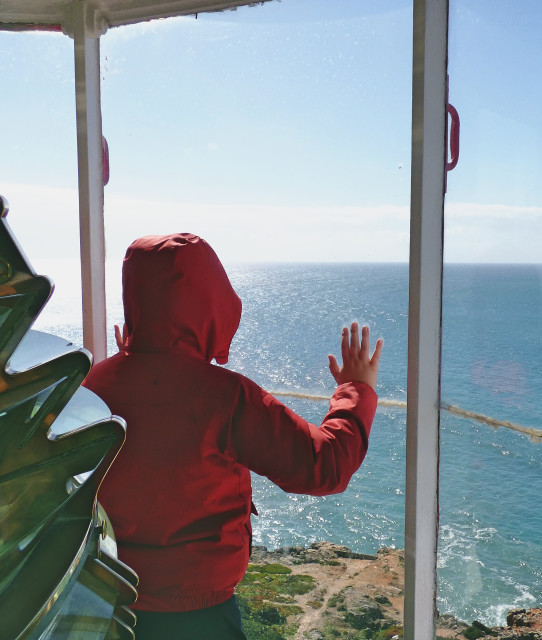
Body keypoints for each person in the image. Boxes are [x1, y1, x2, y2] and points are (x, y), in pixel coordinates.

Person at [83, 232, 383, 640]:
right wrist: (356, 389)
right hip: (197, 617)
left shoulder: (90, 385)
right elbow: (324, 466)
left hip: (103, 602)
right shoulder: (226, 397)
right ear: (211, 304)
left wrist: (130, 360)